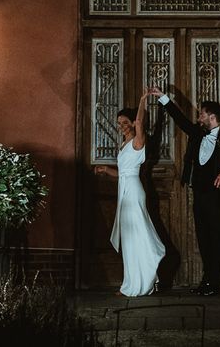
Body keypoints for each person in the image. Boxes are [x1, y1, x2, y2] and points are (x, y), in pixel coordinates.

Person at [148, 86, 220, 296]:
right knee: (203, 239)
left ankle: (214, 283)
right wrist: (164, 98)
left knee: (217, 239)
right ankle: (205, 281)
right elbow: (180, 119)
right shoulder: (197, 134)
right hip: (198, 195)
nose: (198, 116)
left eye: (201, 113)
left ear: (211, 116)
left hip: (217, 199)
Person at [94, 93, 165, 297]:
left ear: (134, 123)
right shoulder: (124, 144)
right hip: (125, 190)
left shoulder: (138, 141)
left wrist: (143, 99)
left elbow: (141, 121)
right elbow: (123, 172)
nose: (122, 125)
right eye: (119, 123)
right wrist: (106, 170)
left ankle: (139, 283)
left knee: (136, 237)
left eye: (125, 122)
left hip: (133, 192)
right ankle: (133, 282)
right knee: (129, 240)